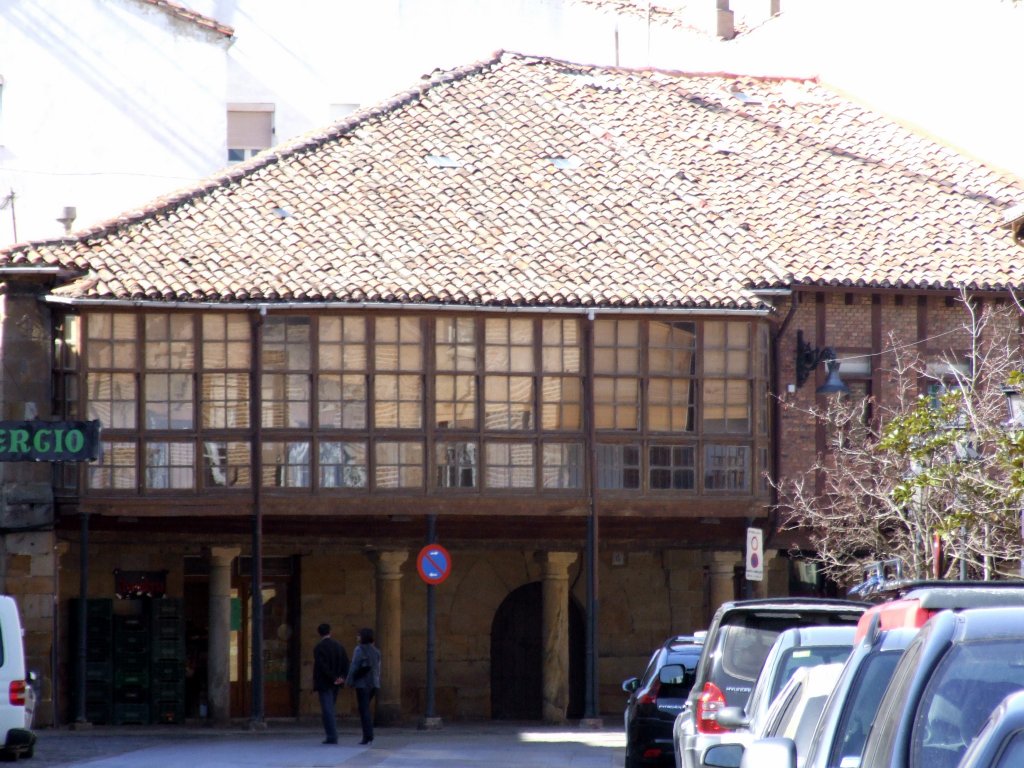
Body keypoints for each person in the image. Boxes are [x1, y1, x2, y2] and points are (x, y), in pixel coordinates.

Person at [312, 623, 349, 744]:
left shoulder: (319, 648)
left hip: (325, 683)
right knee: (330, 707)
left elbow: (322, 666)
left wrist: (333, 678)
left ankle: (332, 735)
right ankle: (331, 735)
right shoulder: (339, 646)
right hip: (336, 683)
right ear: (330, 632)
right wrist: (341, 678)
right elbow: (346, 664)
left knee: (327, 709)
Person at [346, 627, 381, 745]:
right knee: (365, 708)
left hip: (362, 683)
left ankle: (368, 735)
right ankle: (368, 735)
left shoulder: (359, 649)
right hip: (374, 684)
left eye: (359, 635)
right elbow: (378, 669)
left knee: (364, 709)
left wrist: (349, 681)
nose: (357, 637)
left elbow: (354, 666)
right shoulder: (376, 651)